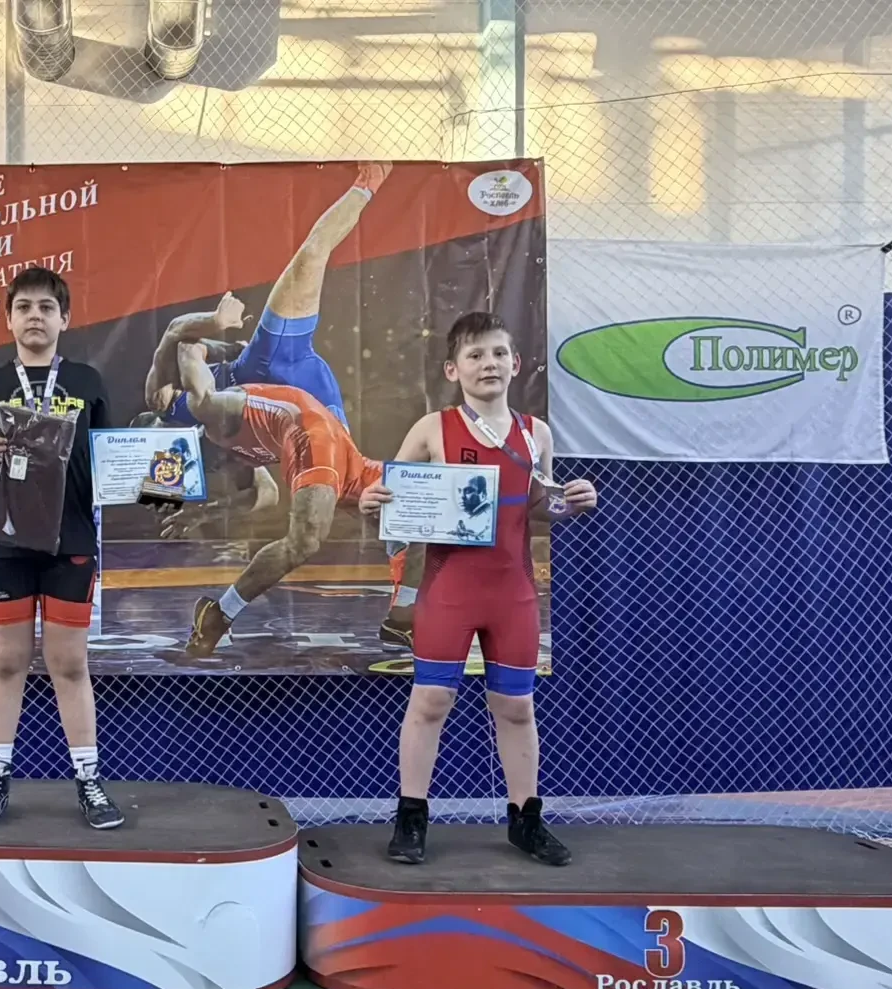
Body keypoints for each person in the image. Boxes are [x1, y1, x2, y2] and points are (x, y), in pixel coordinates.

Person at [358, 312, 598, 866]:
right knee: (431, 700)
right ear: (453, 369)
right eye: (475, 355)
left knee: (516, 707)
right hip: (450, 590)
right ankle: (411, 818)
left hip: (512, 593)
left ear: (516, 364)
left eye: (498, 354)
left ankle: (526, 819)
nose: (488, 364)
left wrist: (572, 501)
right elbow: (393, 497)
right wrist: (372, 502)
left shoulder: (536, 433)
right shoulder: (431, 428)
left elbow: (539, 506)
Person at [0, 266, 122, 829]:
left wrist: (159, 484)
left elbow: (116, 459)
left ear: (65, 319)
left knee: (70, 664)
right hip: (5, 543)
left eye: (45, 307)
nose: (34, 316)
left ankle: (89, 781)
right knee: (7, 661)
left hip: (71, 543)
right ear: (8, 319)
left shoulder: (87, 381)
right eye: (23, 307)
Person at [147, 341, 384, 658]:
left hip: (309, 426)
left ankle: (221, 615)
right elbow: (267, 494)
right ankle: (410, 610)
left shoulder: (207, 411)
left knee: (307, 539)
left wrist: (228, 349)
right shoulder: (228, 453)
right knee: (390, 509)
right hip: (319, 427)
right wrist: (206, 512)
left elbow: (187, 347)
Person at [144, 162, 391, 431]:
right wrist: (216, 347)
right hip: (297, 386)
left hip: (267, 360)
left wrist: (217, 323)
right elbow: (192, 351)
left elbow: (178, 335)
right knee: (340, 453)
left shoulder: (161, 401)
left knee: (311, 256)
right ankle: (369, 183)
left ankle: (369, 182)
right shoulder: (200, 429)